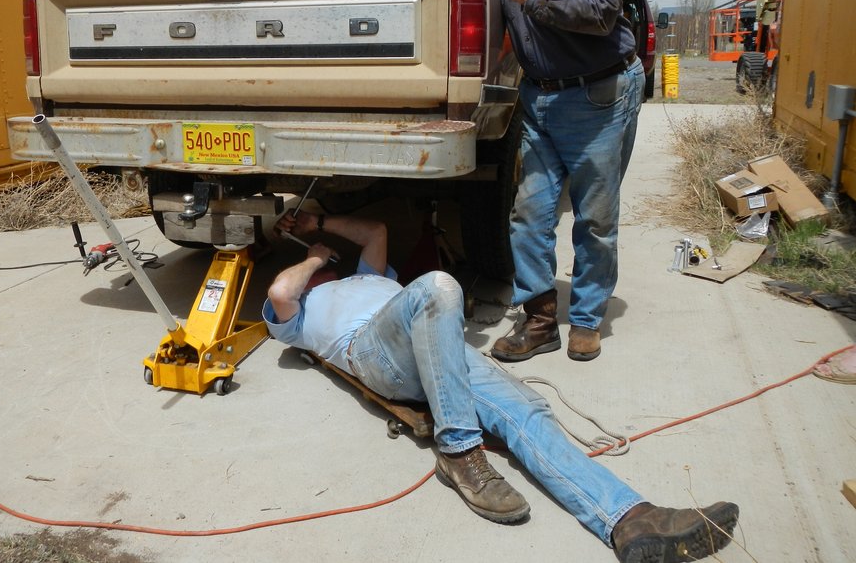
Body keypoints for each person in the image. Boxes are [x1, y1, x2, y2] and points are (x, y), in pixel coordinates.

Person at [262, 210, 739, 563]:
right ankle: (459, 452)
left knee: (526, 411)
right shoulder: (298, 313)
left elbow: (377, 232)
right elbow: (281, 292)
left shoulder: (371, 278)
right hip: (373, 352)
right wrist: (314, 257)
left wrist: (318, 221)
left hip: (438, 343)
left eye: (326, 265)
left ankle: (631, 520)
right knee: (438, 287)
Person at [358, 0, 646, 363]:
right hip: (539, 98)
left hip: (598, 96)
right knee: (529, 212)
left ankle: (584, 317)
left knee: (594, 217)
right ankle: (539, 320)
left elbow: (604, 11)